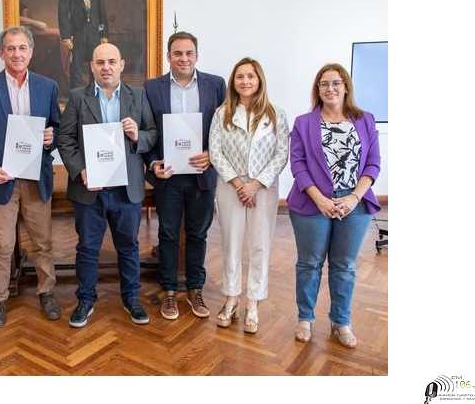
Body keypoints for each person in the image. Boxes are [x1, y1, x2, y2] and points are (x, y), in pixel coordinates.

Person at [57, 42, 158, 328]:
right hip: (90, 189)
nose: (106, 67)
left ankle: (132, 300)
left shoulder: (138, 96)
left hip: (127, 189)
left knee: (129, 246)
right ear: (92, 66)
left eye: (112, 62)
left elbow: (152, 135)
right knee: (87, 248)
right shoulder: (78, 98)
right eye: (100, 62)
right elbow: (65, 140)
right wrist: (80, 170)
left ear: (122, 64)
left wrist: (138, 134)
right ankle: (85, 301)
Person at [0, 26, 62, 328]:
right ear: (1, 53)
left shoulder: (47, 87)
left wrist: (51, 138)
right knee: (2, 245)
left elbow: (58, 130)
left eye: (22, 48)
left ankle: (46, 292)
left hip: (36, 179)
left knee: (43, 243)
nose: (17, 54)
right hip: (2, 178)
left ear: (31, 52)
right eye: (11, 48)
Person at [287, 63, 381, 348]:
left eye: (336, 83)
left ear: (346, 87)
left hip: (355, 203)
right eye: (324, 84)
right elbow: (298, 165)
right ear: (317, 89)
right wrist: (321, 199)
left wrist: (353, 198)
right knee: (309, 263)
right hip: (312, 202)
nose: (330, 88)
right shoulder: (304, 123)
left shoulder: (365, 120)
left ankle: (341, 321)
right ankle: (305, 317)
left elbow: (373, 164)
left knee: (344, 265)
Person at [143, 31, 225, 320]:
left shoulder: (216, 86)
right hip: (169, 176)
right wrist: (153, 163)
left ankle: (195, 287)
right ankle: (168, 290)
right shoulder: (151, 89)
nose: (184, 58)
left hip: (202, 175)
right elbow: (148, 133)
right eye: (177, 53)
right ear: (168, 56)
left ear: (197, 55)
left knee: (198, 233)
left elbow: (225, 131)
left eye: (189, 53)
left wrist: (213, 156)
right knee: (166, 234)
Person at [209, 58, 289, 333]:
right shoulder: (222, 113)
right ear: (233, 81)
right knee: (231, 244)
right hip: (230, 187)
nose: (245, 81)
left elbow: (281, 155)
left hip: (263, 190)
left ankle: (253, 303)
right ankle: (231, 299)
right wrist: (237, 182)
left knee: (259, 246)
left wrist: (256, 184)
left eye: (250, 77)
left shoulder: (276, 114)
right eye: (240, 77)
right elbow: (215, 151)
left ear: (259, 80)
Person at [58, 0, 108, 89]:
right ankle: (76, 96)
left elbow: (102, 12)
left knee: (96, 64)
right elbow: (63, 13)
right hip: (77, 34)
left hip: (95, 34)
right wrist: (66, 36)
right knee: (76, 67)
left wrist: (103, 34)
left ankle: (95, 94)